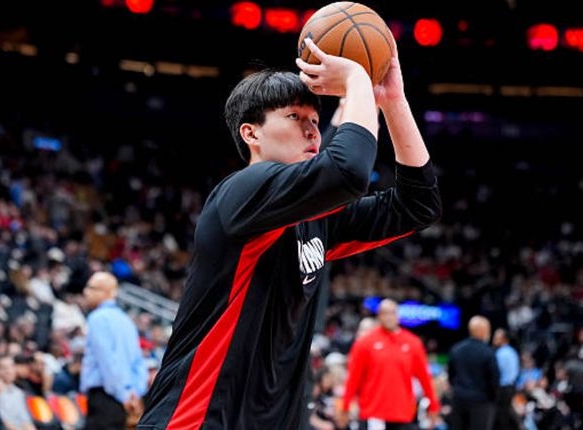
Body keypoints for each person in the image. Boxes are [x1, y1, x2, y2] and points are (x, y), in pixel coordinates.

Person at [138, 37, 441, 429]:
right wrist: (356, 78)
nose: (312, 131)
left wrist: (393, 101)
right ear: (251, 134)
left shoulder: (317, 219)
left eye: (315, 121)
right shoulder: (242, 190)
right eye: (296, 117)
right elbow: (348, 171)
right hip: (198, 419)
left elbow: (419, 205)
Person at [339, 299, 440, 429]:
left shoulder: (413, 343)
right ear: (379, 316)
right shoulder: (365, 343)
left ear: (397, 315)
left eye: (392, 313)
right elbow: (353, 377)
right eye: (385, 313)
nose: (389, 317)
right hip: (373, 412)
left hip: (402, 412)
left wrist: (433, 405)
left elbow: (424, 377)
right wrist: (345, 406)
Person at [80, 271, 148, 430]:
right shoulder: (126, 321)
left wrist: (123, 395)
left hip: (106, 397)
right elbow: (138, 362)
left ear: (107, 292)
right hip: (127, 400)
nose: (86, 292)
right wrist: (134, 394)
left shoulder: (97, 318)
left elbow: (108, 363)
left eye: (91, 288)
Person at [447, 316, 499, 430]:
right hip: (481, 402)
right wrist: (493, 398)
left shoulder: (456, 349)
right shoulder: (488, 352)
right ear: (485, 331)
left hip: (459, 400)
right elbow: (494, 380)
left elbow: (450, 375)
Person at [0, 355, 36, 430]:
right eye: (4, 368)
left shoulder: (18, 392)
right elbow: (3, 421)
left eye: (11, 367)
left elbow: (26, 420)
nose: (9, 371)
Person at [493, 328, 523, 430]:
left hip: (503, 388)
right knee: (506, 413)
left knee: (502, 416)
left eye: (496, 337)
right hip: (511, 386)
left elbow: (496, 372)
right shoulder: (512, 352)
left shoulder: (501, 353)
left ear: (504, 339)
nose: (494, 339)